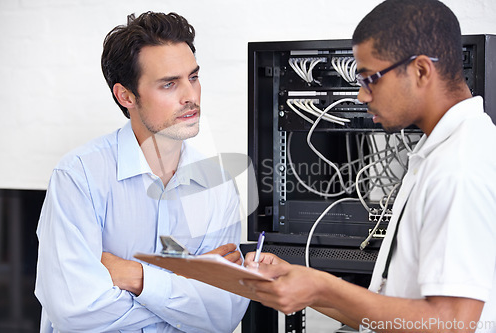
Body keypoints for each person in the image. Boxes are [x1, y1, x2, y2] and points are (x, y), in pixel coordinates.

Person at [244, 0, 496, 332]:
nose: (361, 96)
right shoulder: (438, 155)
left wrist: (323, 287)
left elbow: (451, 323)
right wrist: (304, 284)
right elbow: (392, 316)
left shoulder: (459, 168)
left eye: (369, 79)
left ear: (421, 70)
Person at [35, 11, 249, 332]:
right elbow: (76, 312)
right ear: (126, 96)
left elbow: (224, 313)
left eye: (193, 77)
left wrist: (135, 275)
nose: (190, 96)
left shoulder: (217, 186)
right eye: (169, 84)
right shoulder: (78, 176)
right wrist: (188, 279)